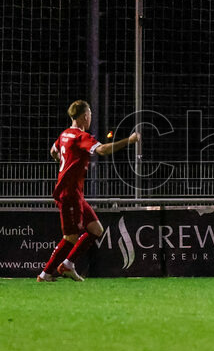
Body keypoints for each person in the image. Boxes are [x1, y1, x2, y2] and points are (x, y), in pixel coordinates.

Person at [38, 100, 140, 282]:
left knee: (96, 229)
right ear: (85, 116)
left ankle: (68, 265)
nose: (91, 117)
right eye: (90, 114)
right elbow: (103, 150)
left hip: (75, 193)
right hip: (69, 193)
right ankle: (45, 274)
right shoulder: (80, 136)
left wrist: (64, 161)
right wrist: (129, 140)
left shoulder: (64, 134)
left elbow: (53, 151)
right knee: (71, 237)